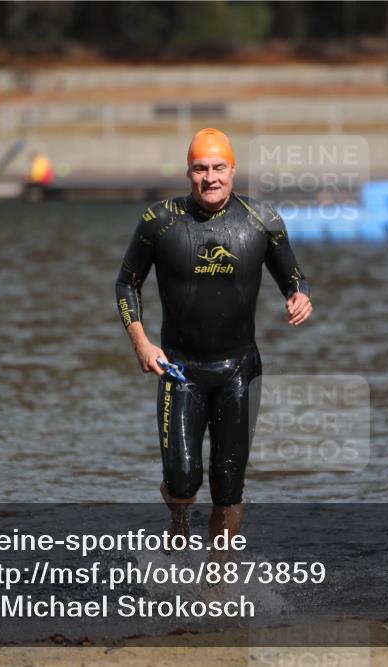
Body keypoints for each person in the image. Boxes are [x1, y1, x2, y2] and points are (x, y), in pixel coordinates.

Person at [115, 128, 312, 548]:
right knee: (183, 480)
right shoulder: (159, 220)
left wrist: (299, 296)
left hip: (239, 370)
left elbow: (293, 276)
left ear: (233, 170)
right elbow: (126, 283)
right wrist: (142, 343)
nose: (210, 178)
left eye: (218, 168)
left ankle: (216, 576)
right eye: (200, 169)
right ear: (188, 172)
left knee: (228, 485)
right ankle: (179, 521)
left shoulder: (262, 219)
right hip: (179, 368)